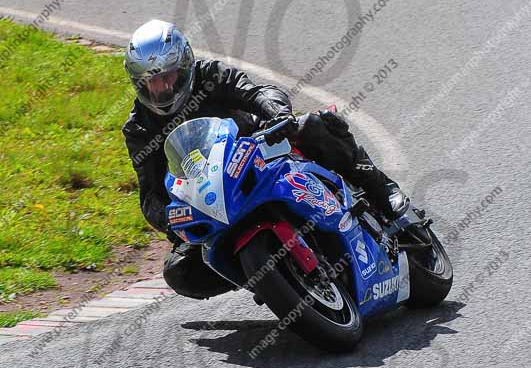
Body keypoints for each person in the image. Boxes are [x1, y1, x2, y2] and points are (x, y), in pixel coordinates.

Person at [122, 19, 406, 299]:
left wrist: (277, 113)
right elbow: (150, 196)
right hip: (208, 198)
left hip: (255, 154)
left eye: (168, 77)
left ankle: (382, 189)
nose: (162, 89)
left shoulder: (210, 76)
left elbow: (256, 92)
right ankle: (271, 277)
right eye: (151, 83)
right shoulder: (139, 129)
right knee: (179, 271)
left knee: (315, 125)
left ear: (185, 66)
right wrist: (171, 221)